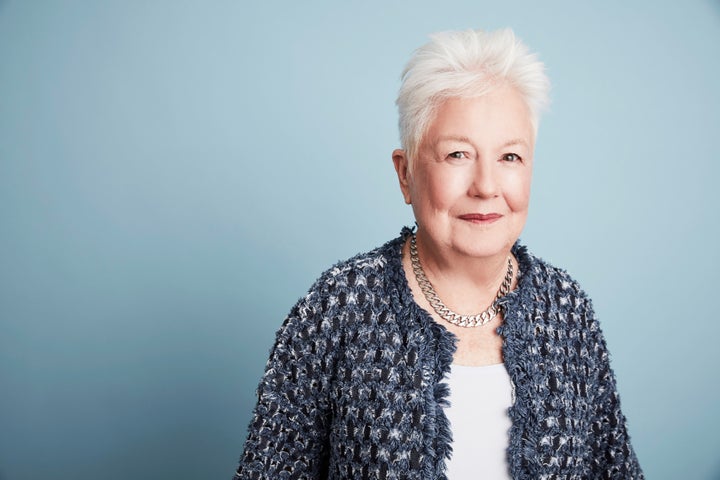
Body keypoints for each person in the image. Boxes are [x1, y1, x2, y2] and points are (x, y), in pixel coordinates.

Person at [233, 28, 643, 479]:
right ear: (405, 174)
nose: (486, 186)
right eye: (457, 155)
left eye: (510, 157)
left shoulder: (567, 310)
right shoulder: (338, 308)